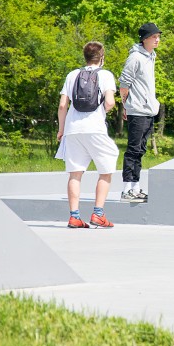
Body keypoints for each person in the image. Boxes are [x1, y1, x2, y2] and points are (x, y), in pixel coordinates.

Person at [56, 41, 118, 228]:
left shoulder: (72, 75)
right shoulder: (105, 75)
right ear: (102, 58)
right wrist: (104, 111)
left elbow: (62, 105)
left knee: (75, 174)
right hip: (95, 128)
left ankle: (74, 216)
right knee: (106, 171)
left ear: (85, 57)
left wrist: (61, 130)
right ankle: (98, 214)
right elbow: (110, 103)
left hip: (73, 129)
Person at [119, 22, 162, 203]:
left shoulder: (150, 56)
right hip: (137, 110)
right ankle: (126, 190)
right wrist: (126, 105)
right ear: (144, 39)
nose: (157, 40)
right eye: (154, 37)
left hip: (148, 110)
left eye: (158, 37)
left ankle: (135, 188)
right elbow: (124, 83)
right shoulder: (135, 57)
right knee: (133, 150)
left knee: (140, 150)